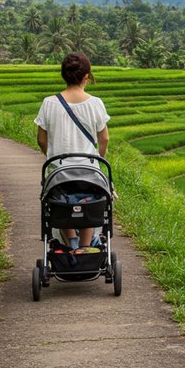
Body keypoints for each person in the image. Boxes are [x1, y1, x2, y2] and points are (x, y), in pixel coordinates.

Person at [34, 53, 110, 252]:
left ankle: (72, 242)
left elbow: (41, 139)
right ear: (86, 76)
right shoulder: (96, 104)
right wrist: (98, 158)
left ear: (63, 75)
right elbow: (105, 139)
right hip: (89, 170)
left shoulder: (48, 103)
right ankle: (85, 245)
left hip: (59, 171)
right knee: (92, 199)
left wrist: (53, 156)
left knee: (59, 202)